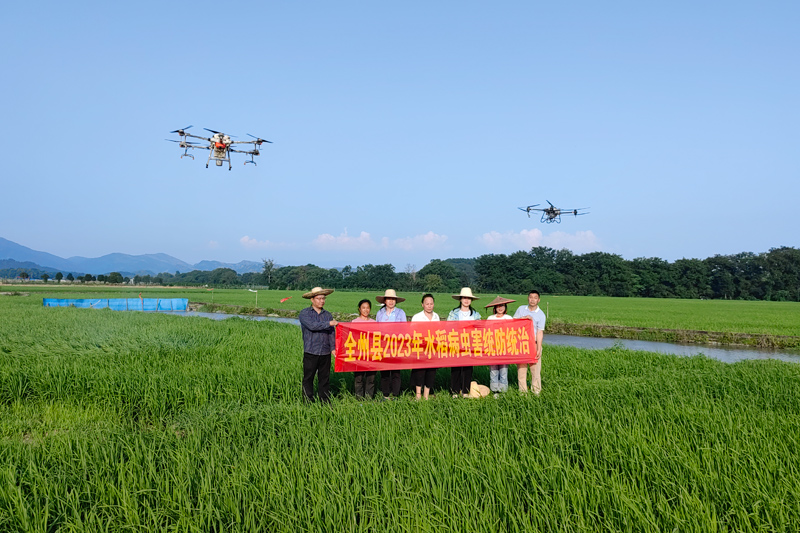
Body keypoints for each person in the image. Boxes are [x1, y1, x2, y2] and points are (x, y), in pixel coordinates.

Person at [298, 287, 338, 403]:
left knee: (324, 378)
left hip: (325, 351)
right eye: (319, 298)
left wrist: (333, 348)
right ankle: (307, 400)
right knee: (308, 378)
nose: (322, 301)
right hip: (311, 351)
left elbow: (331, 333)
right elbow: (312, 326)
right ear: (312, 299)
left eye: (323, 298)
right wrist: (329, 323)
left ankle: (324, 400)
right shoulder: (305, 313)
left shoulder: (327, 315)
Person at [447, 287, 481, 398]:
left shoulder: (476, 314)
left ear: (471, 300)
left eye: (468, 298)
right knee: (456, 368)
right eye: (464, 298)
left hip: (470, 344)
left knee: (468, 368)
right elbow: (448, 327)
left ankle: (465, 391)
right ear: (460, 299)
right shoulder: (453, 313)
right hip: (456, 343)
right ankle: (455, 391)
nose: (466, 300)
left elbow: (480, 328)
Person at [375, 289, 407, 399]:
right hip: (383, 346)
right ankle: (385, 394)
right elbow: (377, 329)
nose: (391, 301)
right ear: (384, 300)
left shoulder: (400, 313)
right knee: (384, 371)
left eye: (393, 299)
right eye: (389, 299)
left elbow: (404, 329)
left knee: (396, 372)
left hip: (396, 347)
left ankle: (395, 394)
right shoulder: (380, 313)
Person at [513, 290, 546, 394]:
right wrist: (522, 319)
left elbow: (540, 332)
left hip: (534, 344)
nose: (532, 300)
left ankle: (536, 391)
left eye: (535, 298)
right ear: (528, 298)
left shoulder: (541, 315)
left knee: (535, 370)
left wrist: (539, 348)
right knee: (521, 369)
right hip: (521, 344)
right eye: (531, 297)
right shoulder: (521, 309)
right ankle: (522, 392)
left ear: (538, 300)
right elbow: (513, 323)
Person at [484, 296, 516, 396]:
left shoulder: (509, 318)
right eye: (498, 306)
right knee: (493, 370)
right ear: (494, 308)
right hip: (493, 348)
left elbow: (513, 332)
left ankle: (503, 390)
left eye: (502, 306)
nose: (500, 308)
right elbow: (486, 333)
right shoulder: (490, 318)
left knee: (503, 370)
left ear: (505, 307)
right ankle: (495, 391)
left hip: (505, 348)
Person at [410, 293, 439, 400]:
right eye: (427, 304)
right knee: (419, 371)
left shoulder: (436, 317)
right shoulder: (417, 317)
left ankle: (426, 394)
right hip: (420, 348)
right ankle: (418, 394)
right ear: (422, 304)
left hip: (433, 349)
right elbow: (412, 333)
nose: (429, 306)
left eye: (431, 303)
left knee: (431, 372)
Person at [351, 298, 376, 399]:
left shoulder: (374, 322)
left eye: (368, 308)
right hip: (359, 353)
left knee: (371, 377)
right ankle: (359, 398)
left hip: (371, 353)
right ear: (359, 309)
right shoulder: (354, 322)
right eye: (363, 308)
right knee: (359, 377)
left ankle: (369, 398)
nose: (366, 310)